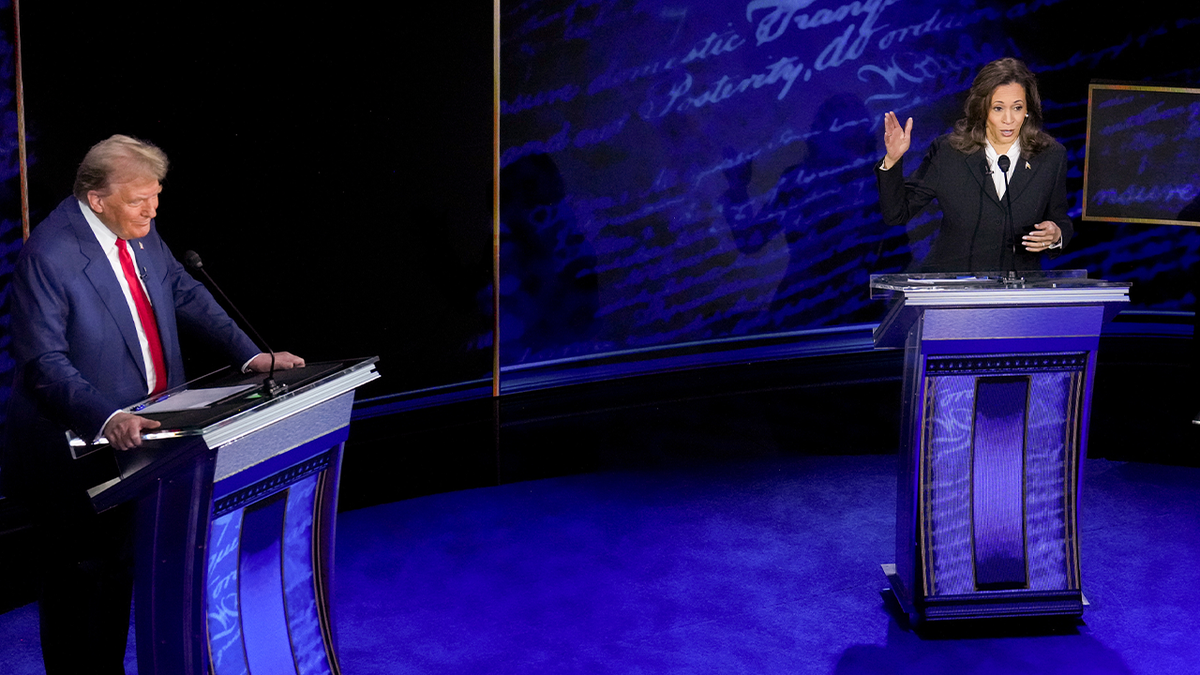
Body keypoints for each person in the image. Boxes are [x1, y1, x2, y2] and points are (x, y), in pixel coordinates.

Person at [1, 134, 303, 673]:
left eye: (156, 195)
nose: (153, 209)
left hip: (153, 437)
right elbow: (41, 361)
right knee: (81, 582)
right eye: (140, 199)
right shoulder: (50, 255)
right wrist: (107, 416)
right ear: (97, 199)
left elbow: (183, 290)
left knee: (121, 571)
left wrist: (252, 355)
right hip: (77, 447)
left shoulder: (136, 228)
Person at [876, 57, 1072, 272]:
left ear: (1028, 110)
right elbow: (897, 213)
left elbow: (1059, 218)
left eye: (1017, 107)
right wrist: (892, 161)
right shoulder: (949, 153)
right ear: (982, 109)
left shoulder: (1050, 155)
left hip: (1017, 291)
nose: (1009, 119)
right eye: (998, 108)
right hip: (954, 288)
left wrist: (1056, 235)